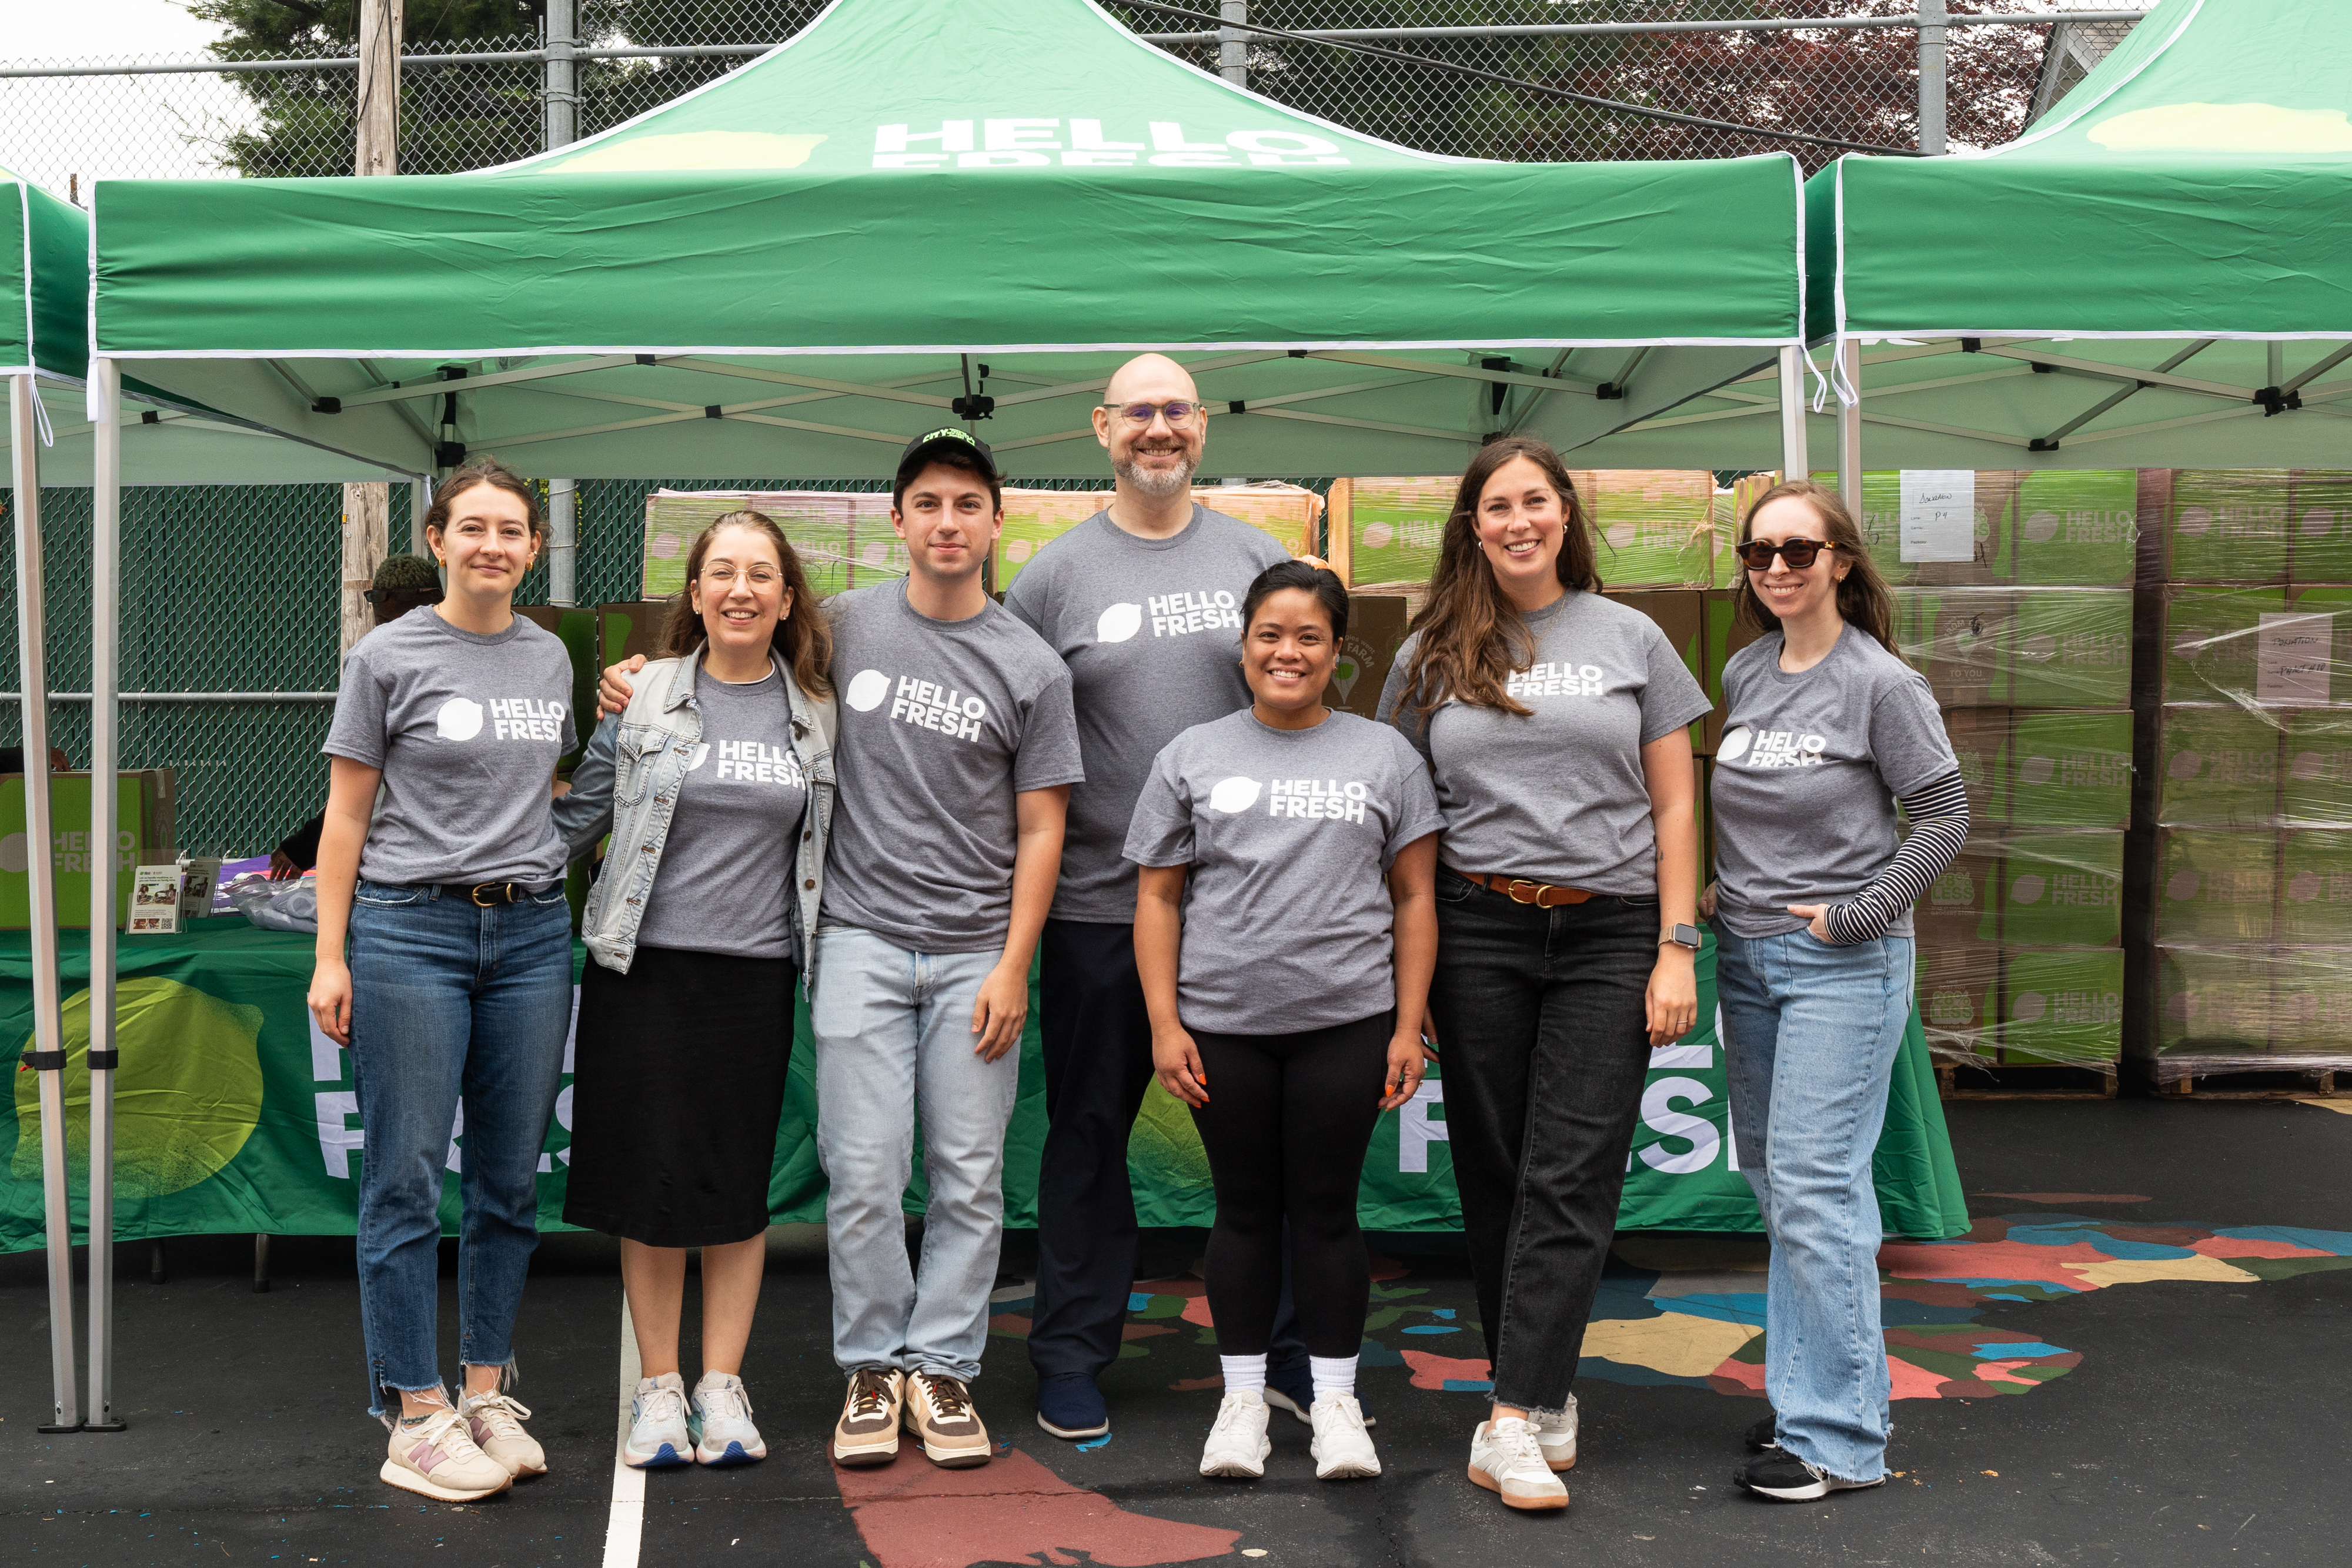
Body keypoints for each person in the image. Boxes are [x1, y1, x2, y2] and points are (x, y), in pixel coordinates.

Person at [599, 429, 1082, 1472]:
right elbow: (724, 671)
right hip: (856, 937)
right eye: (928, 503)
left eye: (968, 504)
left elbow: (1044, 825)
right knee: (862, 1171)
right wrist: (637, 679)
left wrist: (1014, 961)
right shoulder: (839, 627)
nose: (948, 522)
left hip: (975, 952)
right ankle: (871, 1366)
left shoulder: (1031, 664)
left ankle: (941, 1368)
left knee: (968, 1174)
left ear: (997, 522)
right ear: (897, 520)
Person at [1374, 435, 1709, 1513]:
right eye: (1497, 506)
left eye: (1535, 501)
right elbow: (1403, 817)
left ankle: (1510, 1416)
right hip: (1478, 926)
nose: (1518, 521)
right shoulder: (1431, 648)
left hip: (1611, 931)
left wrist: (1676, 944)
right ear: (1472, 527)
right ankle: (1542, 1384)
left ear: (1566, 513)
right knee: (1497, 1171)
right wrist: (1407, 976)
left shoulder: (1632, 636)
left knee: (1574, 1169)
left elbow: (1676, 804)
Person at [998, 352, 1295, 1441]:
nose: (1157, 429)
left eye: (1175, 411)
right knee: (1087, 1137)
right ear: (1101, 428)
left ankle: (1289, 1355)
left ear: (1202, 427)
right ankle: (1073, 1354)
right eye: (1137, 413)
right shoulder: (1052, 578)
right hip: (1097, 908)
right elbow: (1003, 725)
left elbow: (1301, 706)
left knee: (1264, 1147)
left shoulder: (1258, 560)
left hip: (1246, 910)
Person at [1128, 561, 1441, 1483]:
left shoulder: (1386, 755)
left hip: (1347, 1020)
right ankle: (1242, 1401)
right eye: (1270, 633)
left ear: (1338, 651)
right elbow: (1157, 896)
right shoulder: (1191, 753)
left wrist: (1407, 1025)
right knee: (1245, 1209)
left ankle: (1336, 1402)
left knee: (1329, 1210)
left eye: (1309, 636)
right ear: (1244, 644)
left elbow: (1415, 896)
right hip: (1222, 1024)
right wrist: (1164, 1023)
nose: (1287, 651)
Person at [308, 459, 579, 1503]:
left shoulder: (549, 656)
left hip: (531, 934)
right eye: (474, 527)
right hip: (409, 930)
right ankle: (414, 1412)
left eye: (512, 529)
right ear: (438, 538)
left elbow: (547, 787)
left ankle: (485, 1390)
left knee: (509, 1181)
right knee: (408, 1179)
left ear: (535, 547)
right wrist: (330, 953)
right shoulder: (386, 655)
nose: (492, 545)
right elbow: (346, 814)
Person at [553, 510, 836, 1470]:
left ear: (787, 598)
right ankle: (660, 1387)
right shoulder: (644, 695)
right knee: (651, 1181)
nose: (741, 588)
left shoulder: (819, 711)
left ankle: (722, 1385)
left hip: (755, 977)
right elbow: (577, 821)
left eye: (761, 573)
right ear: (697, 592)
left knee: (733, 1181)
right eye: (723, 571)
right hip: (642, 970)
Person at [1703, 479, 1967, 1503]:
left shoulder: (1882, 684)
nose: (1777, 567)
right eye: (1759, 551)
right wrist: (1724, 890)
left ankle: (1842, 1437)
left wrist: (1861, 911)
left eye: (1799, 550)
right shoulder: (1747, 670)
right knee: (1783, 1187)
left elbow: (1944, 817)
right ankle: (1808, 1395)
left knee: (1817, 1186)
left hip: (1842, 964)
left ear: (1841, 562)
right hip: (1749, 958)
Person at [272, 554, 445, 877]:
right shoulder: (374, 661)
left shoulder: (385, 658)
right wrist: (304, 846)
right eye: (384, 623)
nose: (393, 634)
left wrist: (304, 846)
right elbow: (359, 794)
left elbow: (368, 799)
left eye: (408, 621)